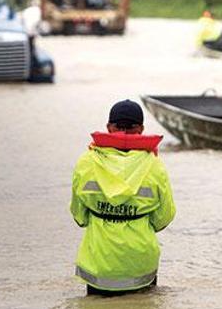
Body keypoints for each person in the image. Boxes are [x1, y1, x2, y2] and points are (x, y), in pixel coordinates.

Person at [71, 100, 176, 296]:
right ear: (141, 129)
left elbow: (79, 216)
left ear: (109, 127)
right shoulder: (155, 166)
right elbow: (164, 217)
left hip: (99, 264)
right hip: (140, 263)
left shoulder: (86, 162)